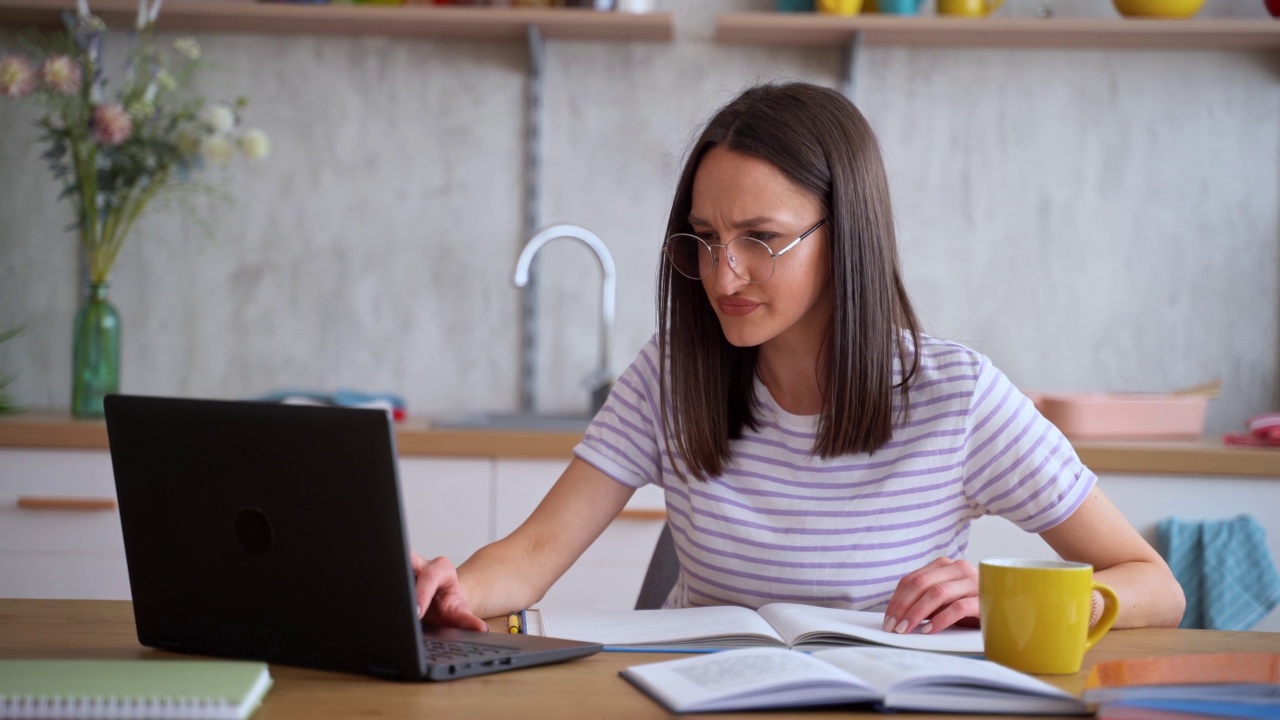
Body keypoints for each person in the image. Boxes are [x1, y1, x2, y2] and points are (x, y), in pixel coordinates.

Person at [413, 81, 1185, 636]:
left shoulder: (958, 396)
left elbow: (1157, 587)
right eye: (707, 239)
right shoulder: (671, 375)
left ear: (846, 235)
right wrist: (452, 590)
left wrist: (1030, 598)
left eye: (761, 238)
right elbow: (535, 552)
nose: (724, 274)